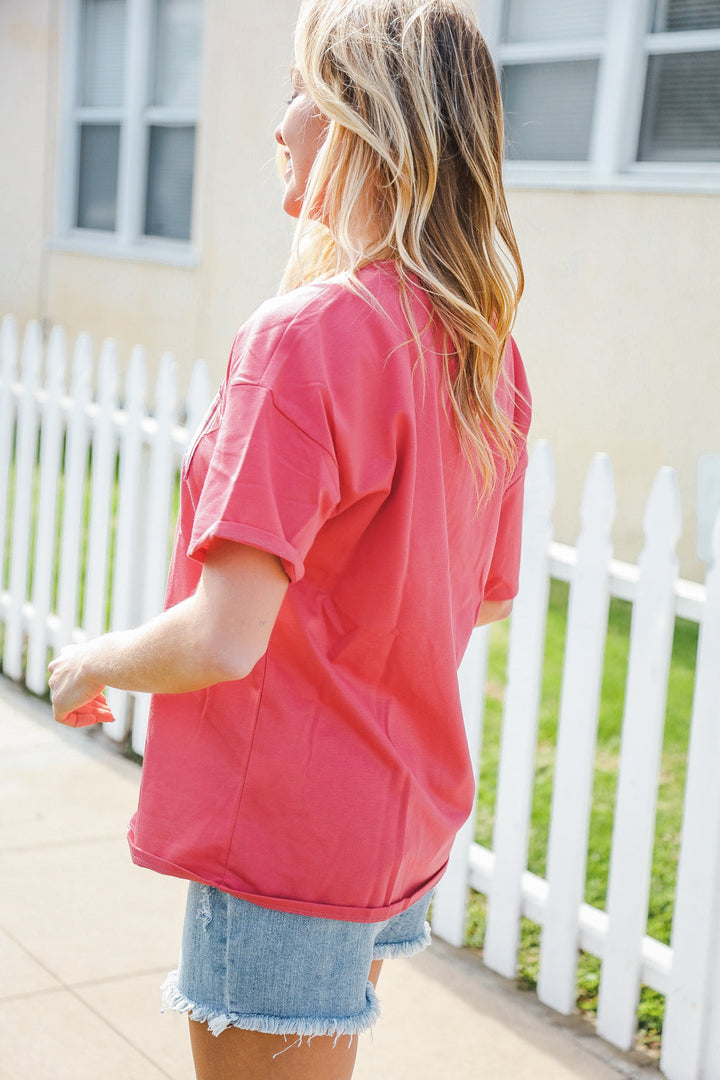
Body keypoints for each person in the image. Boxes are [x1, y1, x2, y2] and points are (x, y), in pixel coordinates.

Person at [48, 0, 531, 1076]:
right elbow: (485, 596)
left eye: (303, 90)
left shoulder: (305, 337)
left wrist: (92, 660)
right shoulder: (485, 349)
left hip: (286, 838)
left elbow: (223, 638)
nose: (281, 121)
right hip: (395, 818)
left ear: (368, 124)